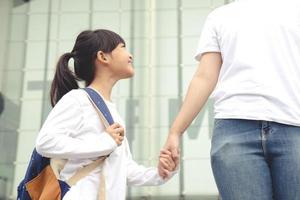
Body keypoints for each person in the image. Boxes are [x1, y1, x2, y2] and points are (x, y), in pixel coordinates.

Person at [162, 0, 300, 199]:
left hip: (294, 126)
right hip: (234, 127)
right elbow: (204, 78)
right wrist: (175, 132)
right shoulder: (219, 16)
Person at [35, 29, 176, 200]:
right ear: (103, 57)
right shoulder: (78, 99)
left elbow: (123, 168)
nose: (130, 55)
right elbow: (45, 142)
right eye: (122, 47)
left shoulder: (112, 112)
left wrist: (160, 174)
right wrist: (104, 142)